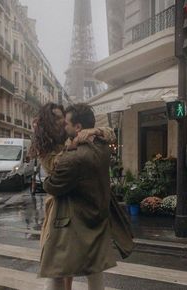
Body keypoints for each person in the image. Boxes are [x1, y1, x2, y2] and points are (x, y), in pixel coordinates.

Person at [30, 103, 117, 290]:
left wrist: (96, 130)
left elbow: (110, 133)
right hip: (60, 207)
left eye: (62, 116)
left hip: (81, 203)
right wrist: (73, 145)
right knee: (58, 264)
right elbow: (57, 170)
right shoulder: (46, 144)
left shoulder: (70, 134)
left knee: (78, 263)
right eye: (55, 117)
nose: (60, 121)